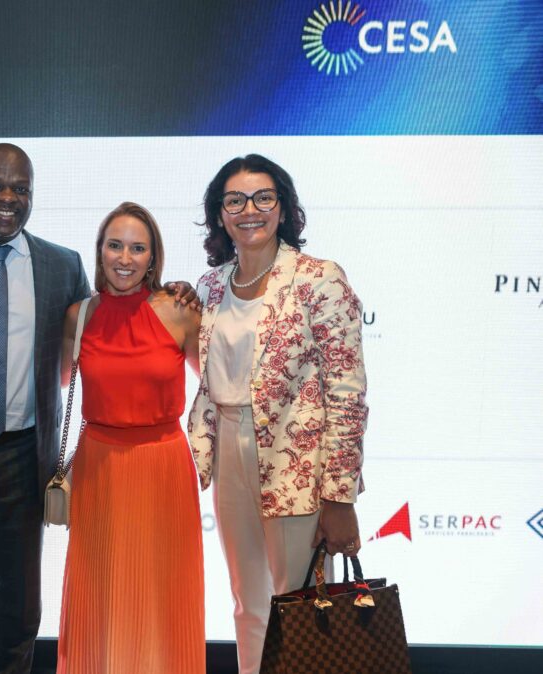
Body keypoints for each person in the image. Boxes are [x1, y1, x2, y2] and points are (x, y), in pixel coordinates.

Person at [0, 144, 200, 674]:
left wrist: (178, 289)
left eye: (20, 189)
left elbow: (115, 328)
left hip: (22, 456)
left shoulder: (62, 266)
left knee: (20, 607)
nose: (7, 198)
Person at [187, 155, 368, 674]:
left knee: (301, 604)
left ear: (283, 208)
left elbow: (347, 394)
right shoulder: (210, 287)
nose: (250, 210)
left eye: (263, 197)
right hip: (228, 452)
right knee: (248, 603)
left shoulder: (319, 279)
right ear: (220, 215)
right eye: (235, 200)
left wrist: (339, 496)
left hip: (297, 463)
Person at [56, 202, 205, 674]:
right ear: (99, 251)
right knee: (99, 590)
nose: (125, 258)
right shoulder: (78, 316)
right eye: (115, 246)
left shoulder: (180, 312)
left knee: (163, 592)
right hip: (99, 468)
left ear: (153, 256)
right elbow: (55, 381)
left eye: (137, 248)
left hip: (164, 467)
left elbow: (219, 386)